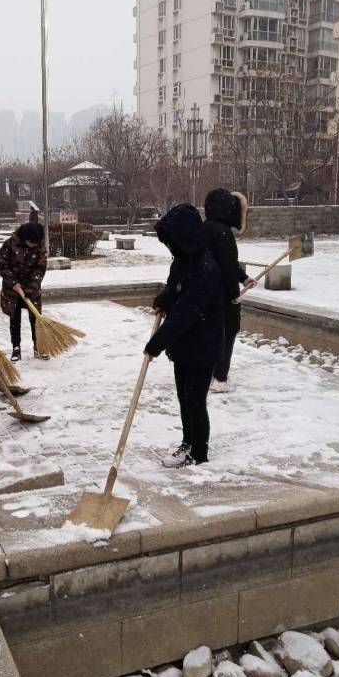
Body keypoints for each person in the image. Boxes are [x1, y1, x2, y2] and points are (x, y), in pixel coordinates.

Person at [144, 204, 224, 468]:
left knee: (195, 400)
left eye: (173, 239)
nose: (170, 245)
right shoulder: (184, 260)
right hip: (184, 344)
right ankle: (187, 442)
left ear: (186, 236)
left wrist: (156, 343)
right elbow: (174, 288)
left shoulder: (206, 269)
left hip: (203, 343)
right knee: (184, 398)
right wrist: (163, 299)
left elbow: (187, 312)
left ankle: (198, 452)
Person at [202, 189, 256, 393]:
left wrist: (244, 277)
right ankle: (220, 377)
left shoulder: (204, 228)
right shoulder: (223, 233)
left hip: (204, 294)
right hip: (221, 295)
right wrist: (234, 294)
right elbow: (226, 266)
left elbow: (227, 264)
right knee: (227, 332)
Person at [0, 222, 47, 362]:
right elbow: (2, 265)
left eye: (35, 243)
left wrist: (30, 288)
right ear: (25, 237)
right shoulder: (10, 244)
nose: (32, 245)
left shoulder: (40, 247)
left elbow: (40, 268)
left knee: (35, 318)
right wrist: (13, 283)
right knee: (15, 318)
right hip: (12, 289)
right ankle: (16, 347)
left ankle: (38, 346)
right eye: (30, 242)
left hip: (32, 288)